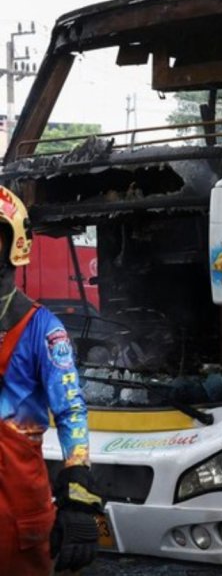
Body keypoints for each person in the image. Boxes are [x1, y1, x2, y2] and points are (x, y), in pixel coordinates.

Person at [0, 186, 102, 575]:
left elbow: (71, 409)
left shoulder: (43, 328)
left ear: (13, 243)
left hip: (17, 509)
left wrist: (77, 488)